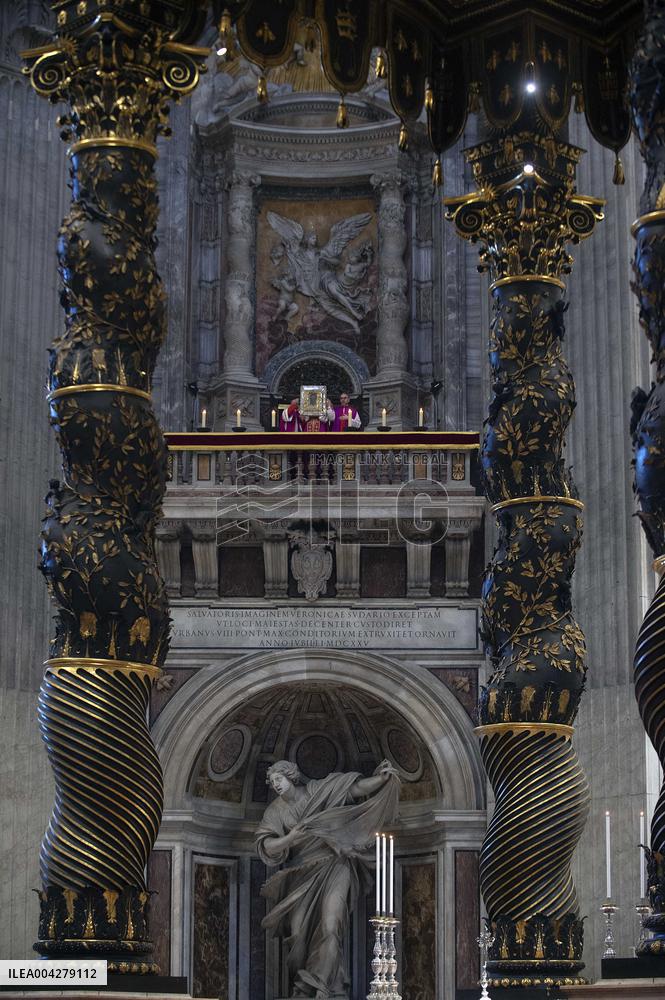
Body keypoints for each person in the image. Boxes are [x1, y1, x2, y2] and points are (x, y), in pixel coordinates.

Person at [256, 759, 400, 999]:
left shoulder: (318, 790)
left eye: (278, 779)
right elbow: (267, 845)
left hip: (335, 864)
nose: (276, 785)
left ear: (290, 776)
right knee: (298, 932)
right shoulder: (276, 810)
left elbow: (354, 788)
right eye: (272, 783)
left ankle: (324, 987)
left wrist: (381, 779)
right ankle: (307, 988)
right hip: (300, 873)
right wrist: (290, 838)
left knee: (331, 926)